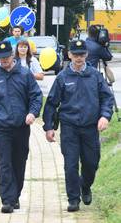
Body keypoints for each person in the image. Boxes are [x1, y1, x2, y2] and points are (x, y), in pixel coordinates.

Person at [43, 40, 114, 212]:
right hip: (69, 128)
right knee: (71, 164)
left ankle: (85, 186)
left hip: (90, 127)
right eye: (75, 54)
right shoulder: (62, 77)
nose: (79, 58)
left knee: (91, 163)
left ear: (86, 55)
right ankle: (73, 199)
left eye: (82, 54)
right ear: (69, 55)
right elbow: (51, 103)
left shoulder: (95, 76)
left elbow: (107, 98)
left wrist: (105, 116)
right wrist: (49, 127)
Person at [0, 40, 43, 213]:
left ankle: (15, 195)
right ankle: (7, 200)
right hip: (1, 127)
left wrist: (32, 113)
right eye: (1, 59)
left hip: (21, 126)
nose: (4, 61)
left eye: (7, 58)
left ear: (12, 56)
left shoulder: (25, 74)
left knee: (19, 162)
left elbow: (36, 97)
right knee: (5, 163)